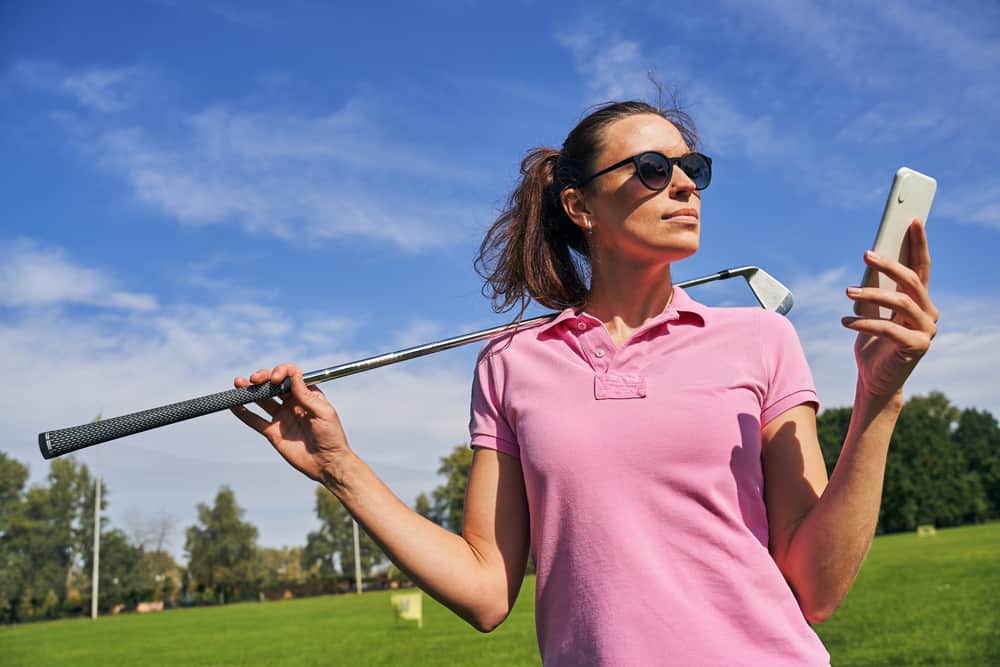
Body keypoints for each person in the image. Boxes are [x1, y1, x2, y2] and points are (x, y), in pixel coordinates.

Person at [230, 100, 937, 666]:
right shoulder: (511, 363)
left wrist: (879, 399)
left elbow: (817, 587)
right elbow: (484, 588)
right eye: (652, 168)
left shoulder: (761, 339)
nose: (686, 183)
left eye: (692, 167)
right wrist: (339, 468)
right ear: (580, 207)